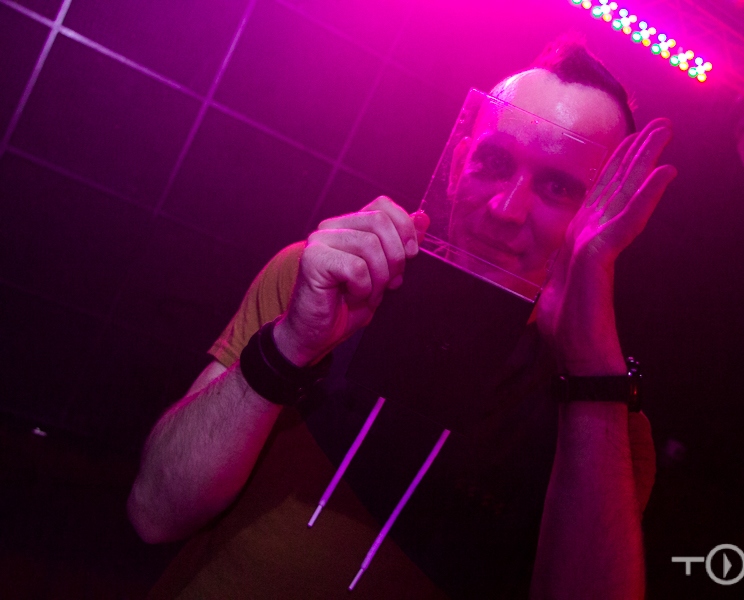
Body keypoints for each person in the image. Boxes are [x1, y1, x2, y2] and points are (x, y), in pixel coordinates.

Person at [128, 38, 677, 599]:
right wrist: (290, 344)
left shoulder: (607, 423)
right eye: (494, 162)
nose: (506, 209)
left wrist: (590, 377)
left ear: (603, 217)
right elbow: (155, 510)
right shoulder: (322, 280)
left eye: (558, 187)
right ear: (458, 166)